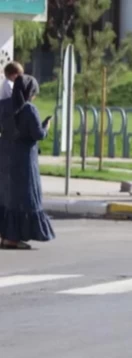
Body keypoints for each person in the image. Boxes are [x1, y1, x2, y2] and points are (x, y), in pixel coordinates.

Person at [0, 75, 55, 249]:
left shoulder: (3, 105)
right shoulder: (29, 109)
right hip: (24, 159)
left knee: (6, 196)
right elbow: (37, 134)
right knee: (25, 197)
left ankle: (5, 235)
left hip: (5, 156)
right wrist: (46, 127)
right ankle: (13, 238)